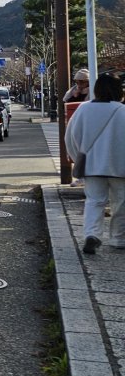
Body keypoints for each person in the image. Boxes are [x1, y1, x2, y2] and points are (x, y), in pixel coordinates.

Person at [65, 72, 125, 254]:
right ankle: (118, 238)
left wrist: (78, 158)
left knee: (94, 201)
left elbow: (71, 138)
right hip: (120, 166)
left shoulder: (84, 109)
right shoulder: (122, 111)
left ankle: (92, 234)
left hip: (92, 166)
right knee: (121, 202)